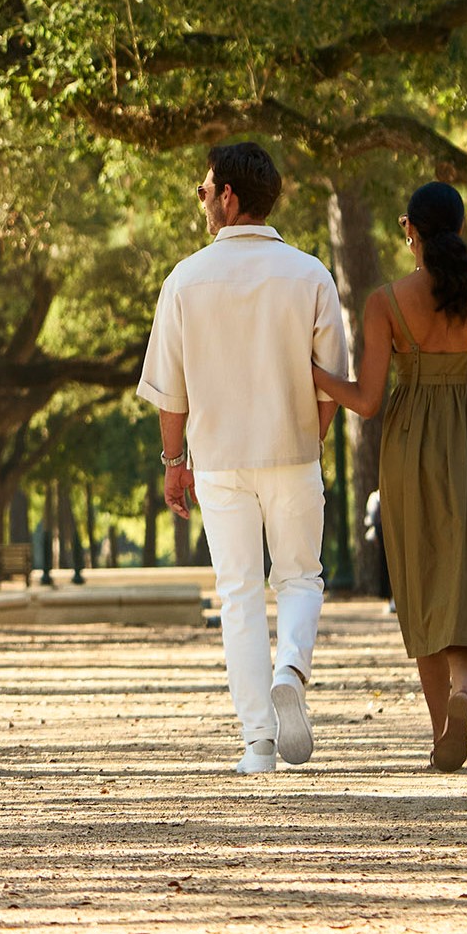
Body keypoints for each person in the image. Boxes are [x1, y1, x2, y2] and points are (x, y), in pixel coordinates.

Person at [140, 142, 352, 775]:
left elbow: (170, 392)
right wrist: (309, 439)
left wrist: (173, 462)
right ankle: (291, 670)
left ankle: (259, 742)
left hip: (218, 460)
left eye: (205, 190)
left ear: (229, 197)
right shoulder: (310, 274)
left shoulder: (184, 280)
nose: (202, 200)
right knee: (300, 578)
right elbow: (331, 382)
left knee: (237, 593)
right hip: (291, 451)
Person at [312, 180, 467, 772]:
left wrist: (312, 373)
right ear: (461, 227)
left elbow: (367, 400)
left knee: (420, 577)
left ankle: (440, 734)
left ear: (411, 230)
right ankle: (463, 691)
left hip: (409, 449)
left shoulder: (385, 301)